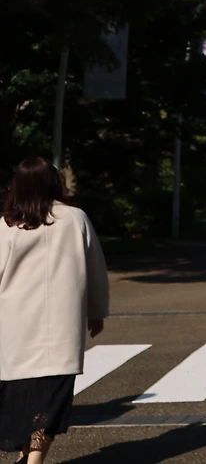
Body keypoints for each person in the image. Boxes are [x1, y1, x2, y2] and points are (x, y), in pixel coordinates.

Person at [0, 158, 109, 464]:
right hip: (62, 325)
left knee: (21, 397)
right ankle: (32, 458)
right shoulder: (75, 219)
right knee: (52, 397)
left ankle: (28, 458)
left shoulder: (7, 225)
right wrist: (96, 311)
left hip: (15, 325)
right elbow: (95, 269)